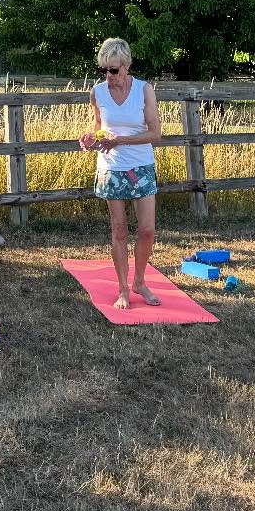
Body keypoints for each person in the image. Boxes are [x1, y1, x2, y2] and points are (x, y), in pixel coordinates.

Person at [80, 37, 163, 309]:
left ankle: (140, 281)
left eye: (114, 70)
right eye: (104, 70)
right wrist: (90, 139)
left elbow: (155, 134)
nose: (108, 75)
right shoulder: (98, 92)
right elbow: (99, 126)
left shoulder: (144, 90)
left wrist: (121, 141)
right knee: (119, 230)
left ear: (127, 66)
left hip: (141, 166)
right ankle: (123, 289)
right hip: (111, 167)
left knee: (147, 230)